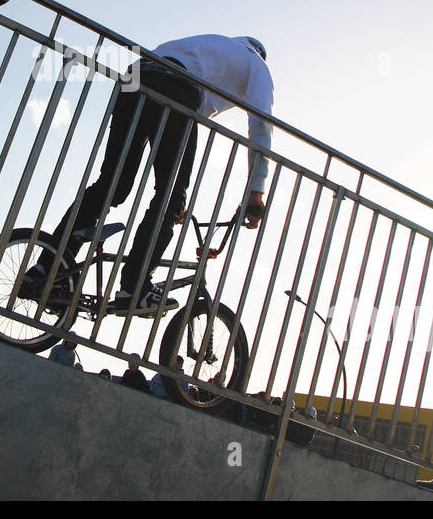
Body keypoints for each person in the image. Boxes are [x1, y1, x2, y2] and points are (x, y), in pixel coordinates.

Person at [28, 34, 274, 317]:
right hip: (178, 86)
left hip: (137, 74)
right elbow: (261, 124)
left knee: (114, 183)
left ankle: (51, 266)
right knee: (170, 195)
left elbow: (188, 114)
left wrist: (170, 210)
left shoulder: (213, 47)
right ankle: (135, 287)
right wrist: (257, 190)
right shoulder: (257, 65)